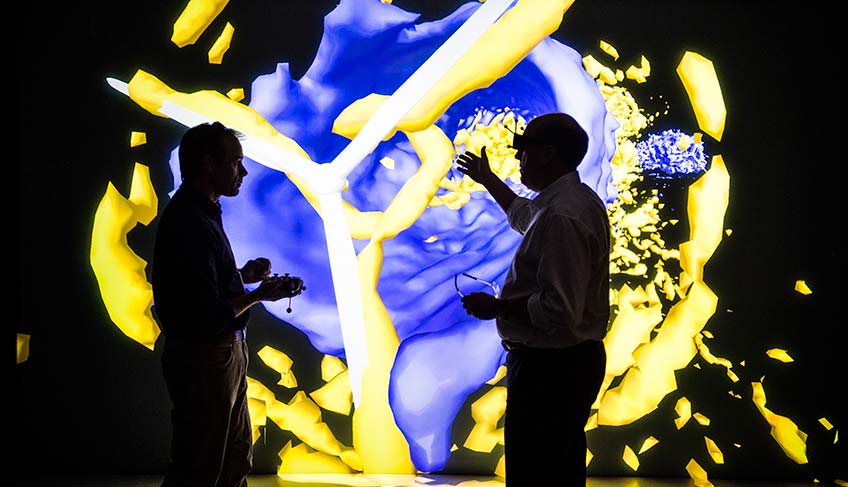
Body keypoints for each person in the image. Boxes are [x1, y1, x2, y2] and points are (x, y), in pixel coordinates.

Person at [455, 112, 610, 486]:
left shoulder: (561, 216)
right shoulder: (571, 202)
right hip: (564, 367)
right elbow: (525, 216)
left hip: (551, 371)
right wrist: (489, 181)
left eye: (523, 149)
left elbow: (558, 309)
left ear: (548, 153)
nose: (518, 157)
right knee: (557, 469)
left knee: (534, 474)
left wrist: (499, 307)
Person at [151, 121, 303, 487]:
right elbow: (203, 313)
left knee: (232, 460)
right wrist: (257, 295)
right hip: (205, 358)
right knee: (201, 467)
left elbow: (199, 286)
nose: (243, 171)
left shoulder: (201, 214)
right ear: (208, 164)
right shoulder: (190, 221)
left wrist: (243, 276)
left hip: (221, 357)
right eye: (235, 162)